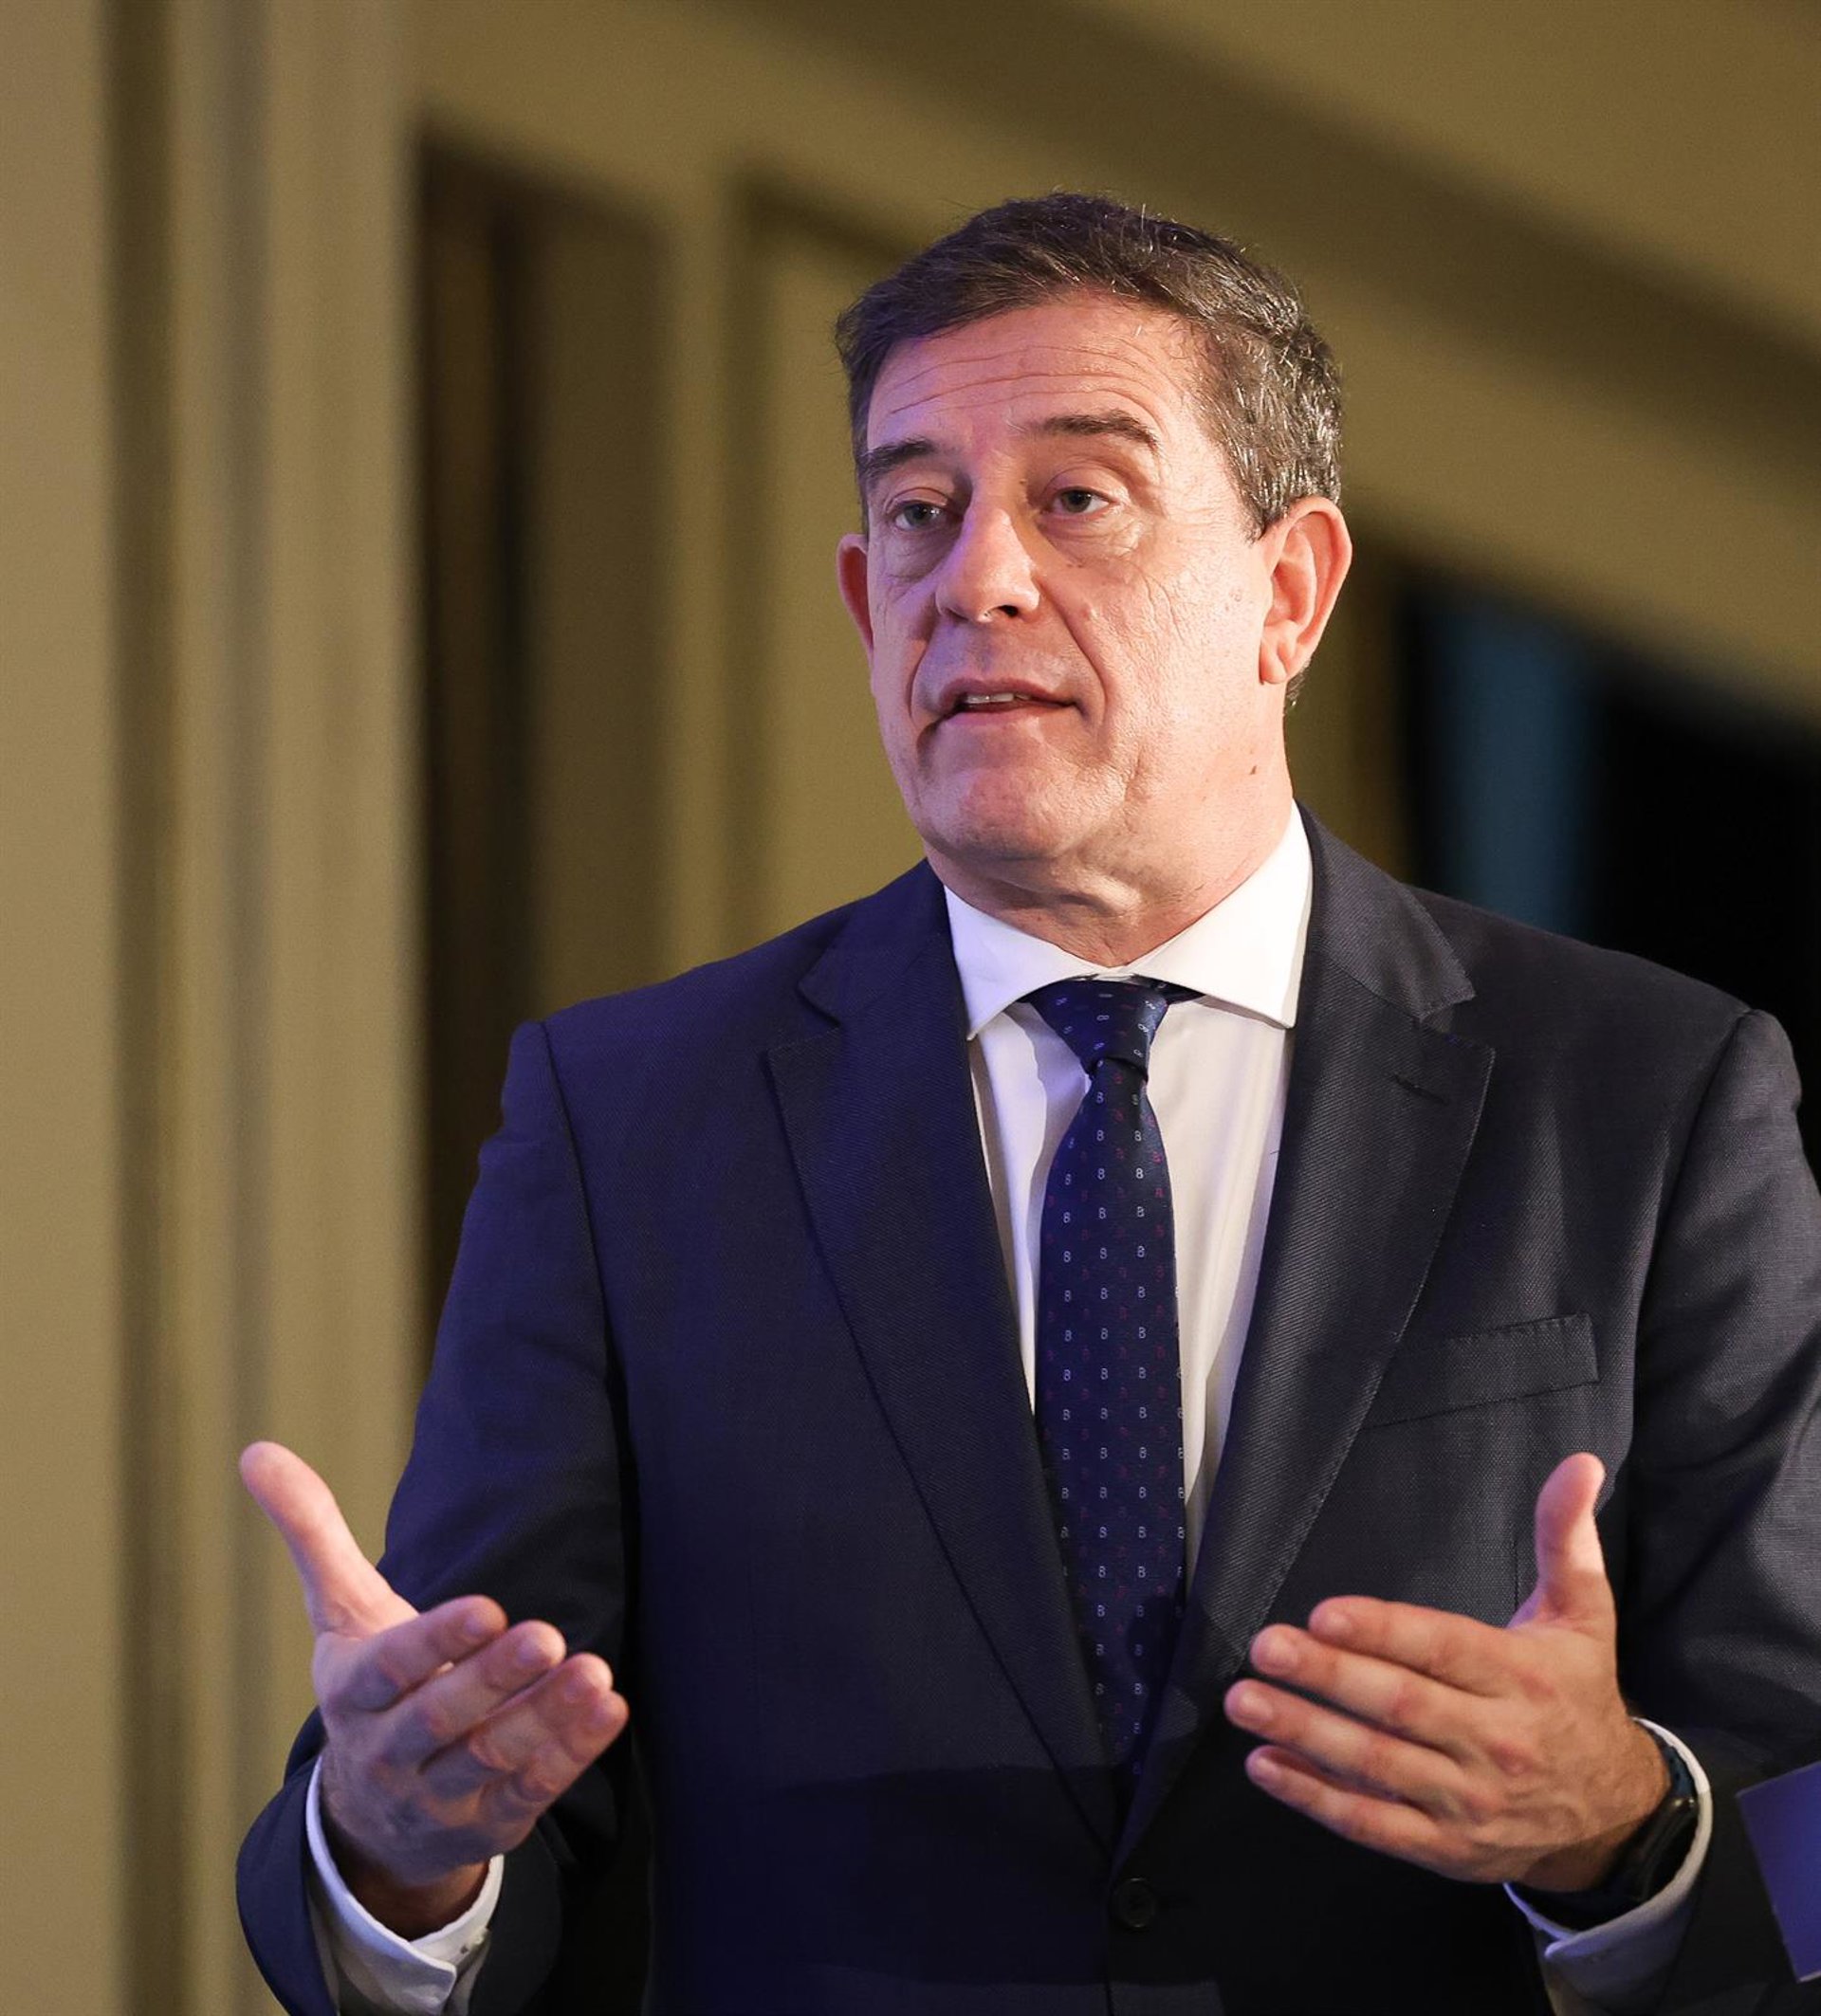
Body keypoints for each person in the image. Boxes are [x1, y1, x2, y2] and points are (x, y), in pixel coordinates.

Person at [238, 194, 1821, 2015]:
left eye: (1077, 497)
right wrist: (394, 1846)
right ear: (864, 603)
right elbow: (489, 1783)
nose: (975, 575)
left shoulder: (1649, 1095)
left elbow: (1796, 1804)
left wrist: (1626, 1825)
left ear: (1290, 593)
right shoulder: (627, 1124)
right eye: (919, 511)